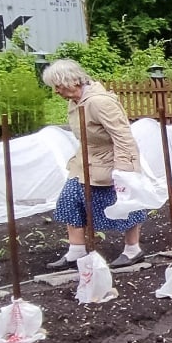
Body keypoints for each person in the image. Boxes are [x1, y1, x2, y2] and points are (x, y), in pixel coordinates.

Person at [41, 58, 149, 268]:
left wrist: (125, 170)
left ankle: (133, 250)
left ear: (71, 81)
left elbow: (123, 136)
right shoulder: (75, 102)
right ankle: (76, 251)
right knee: (69, 201)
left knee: (124, 205)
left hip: (109, 163)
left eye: (58, 86)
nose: (56, 91)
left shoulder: (100, 102)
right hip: (84, 163)